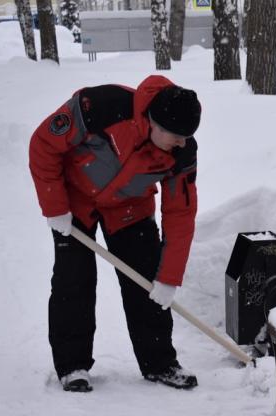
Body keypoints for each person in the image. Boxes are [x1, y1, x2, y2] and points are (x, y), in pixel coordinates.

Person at [29, 75, 202, 393]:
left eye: (187, 137)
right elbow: (43, 144)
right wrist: (55, 207)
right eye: (176, 136)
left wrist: (169, 278)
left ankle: (160, 362)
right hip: (75, 203)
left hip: (130, 208)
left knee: (146, 279)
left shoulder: (182, 152)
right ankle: (73, 365)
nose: (182, 143)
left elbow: (180, 213)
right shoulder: (102, 106)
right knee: (74, 280)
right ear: (155, 123)